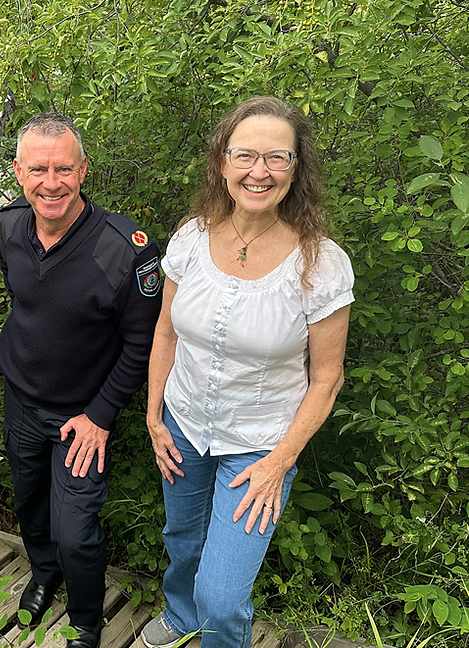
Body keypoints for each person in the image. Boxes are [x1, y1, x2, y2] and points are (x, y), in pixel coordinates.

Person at [141, 97, 354, 648]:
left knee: (224, 593)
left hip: (261, 445)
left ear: (295, 169)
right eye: (245, 155)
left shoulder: (320, 263)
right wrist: (154, 415)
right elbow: (165, 331)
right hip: (183, 425)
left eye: (276, 157)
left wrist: (278, 464)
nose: (259, 171)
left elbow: (326, 378)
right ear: (222, 162)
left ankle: (214, 631)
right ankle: (181, 616)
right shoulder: (190, 237)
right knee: (182, 540)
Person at [0, 113, 162, 648]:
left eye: (64, 169)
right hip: (21, 401)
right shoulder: (8, 226)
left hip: (81, 417)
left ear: (84, 169)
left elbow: (144, 345)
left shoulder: (127, 249)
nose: (52, 183)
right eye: (39, 169)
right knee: (29, 506)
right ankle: (43, 575)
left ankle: (87, 621)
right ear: (19, 171)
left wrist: (100, 416)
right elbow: (25, 301)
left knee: (77, 532)